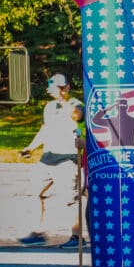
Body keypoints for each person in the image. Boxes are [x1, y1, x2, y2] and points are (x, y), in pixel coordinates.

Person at [18, 73, 85, 248]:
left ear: (66, 88)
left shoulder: (76, 104)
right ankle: (38, 232)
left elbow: (78, 116)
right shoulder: (48, 107)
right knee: (33, 192)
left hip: (66, 158)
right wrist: (30, 148)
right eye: (53, 86)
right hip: (47, 158)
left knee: (70, 198)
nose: (54, 90)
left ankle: (77, 237)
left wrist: (65, 101)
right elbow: (44, 130)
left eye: (58, 87)